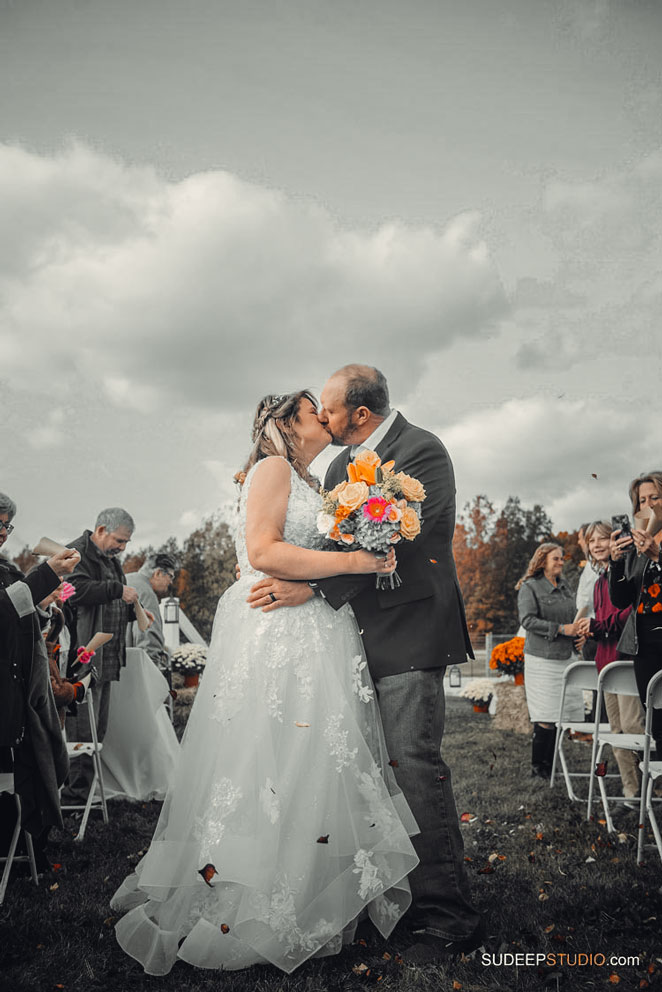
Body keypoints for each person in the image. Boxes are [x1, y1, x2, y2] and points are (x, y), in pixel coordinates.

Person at [111, 390, 419, 976]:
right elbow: (262, 550)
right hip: (280, 633)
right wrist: (359, 561)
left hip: (313, 627)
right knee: (272, 759)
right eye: (313, 411)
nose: (325, 417)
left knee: (311, 759)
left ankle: (305, 890)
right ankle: (250, 901)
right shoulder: (275, 468)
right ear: (284, 425)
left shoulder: (313, 480)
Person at [246, 365, 482, 965]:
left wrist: (311, 590)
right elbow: (330, 543)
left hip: (408, 636)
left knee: (411, 767)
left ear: (359, 413)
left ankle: (449, 916)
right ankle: (390, 900)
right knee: (366, 774)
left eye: (328, 409)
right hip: (349, 643)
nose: (322, 419)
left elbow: (405, 541)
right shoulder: (331, 468)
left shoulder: (421, 451)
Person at [0, 491, 79, 869]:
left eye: (6, 525)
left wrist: (43, 610)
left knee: (36, 761)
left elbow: (19, 617)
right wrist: (47, 573)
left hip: (17, 689)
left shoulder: (6, 569)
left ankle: (29, 848)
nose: (2, 531)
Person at [63, 508, 153, 804]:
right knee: (81, 732)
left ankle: (85, 794)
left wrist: (135, 612)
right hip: (84, 656)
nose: (123, 547)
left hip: (107, 658)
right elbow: (74, 591)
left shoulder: (111, 560)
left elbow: (112, 602)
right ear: (101, 530)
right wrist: (118, 590)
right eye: (119, 540)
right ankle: (73, 797)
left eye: (127, 542)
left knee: (97, 731)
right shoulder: (76, 552)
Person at [577, 521, 643, 807]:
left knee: (633, 726)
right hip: (604, 663)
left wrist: (598, 625)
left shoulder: (626, 570)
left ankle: (655, 786)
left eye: (603, 538)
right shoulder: (599, 580)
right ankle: (632, 793)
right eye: (592, 541)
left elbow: (629, 613)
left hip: (625, 660)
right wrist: (591, 629)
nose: (597, 545)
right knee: (615, 730)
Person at [516, 543, 585, 778]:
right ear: (542, 561)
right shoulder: (530, 587)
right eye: (555, 559)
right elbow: (527, 620)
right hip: (542, 659)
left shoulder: (565, 587)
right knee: (545, 714)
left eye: (562, 559)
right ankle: (539, 767)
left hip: (566, 657)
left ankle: (552, 764)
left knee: (560, 714)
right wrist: (561, 629)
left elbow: (575, 616)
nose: (561, 562)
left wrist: (579, 633)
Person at [608, 470, 662, 762]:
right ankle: (658, 792)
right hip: (644, 639)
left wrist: (658, 556)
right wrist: (616, 563)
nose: (649, 504)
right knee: (656, 720)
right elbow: (621, 601)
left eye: (655, 496)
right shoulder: (638, 542)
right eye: (642, 500)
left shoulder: (652, 547)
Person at [125, 553, 176, 672]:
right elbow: (148, 637)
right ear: (158, 573)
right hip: (132, 669)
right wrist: (152, 671)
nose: (171, 582)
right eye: (170, 576)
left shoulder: (125, 579)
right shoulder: (146, 592)